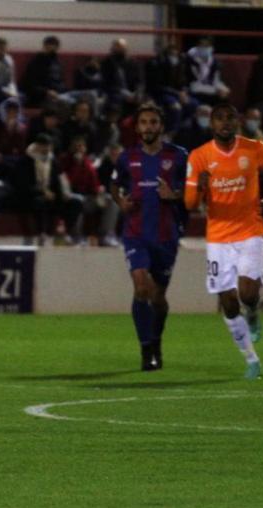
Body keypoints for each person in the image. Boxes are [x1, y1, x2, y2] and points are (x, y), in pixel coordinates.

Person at [185, 103, 263, 379]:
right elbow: (190, 204)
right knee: (227, 302)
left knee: (247, 293)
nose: (225, 123)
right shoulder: (200, 157)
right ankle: (251, 360)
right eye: (219, 119)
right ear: (211, 124)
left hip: (250, 230)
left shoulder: (254, 148)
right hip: (218, 237)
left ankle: (252, 310)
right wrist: (200, 188)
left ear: (238, 122)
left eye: (230, 118)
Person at [109, 104, 187, 370]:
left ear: (161, 126)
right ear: (137, 127)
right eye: (144, 122)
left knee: (158, 298)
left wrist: (174, 196)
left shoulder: (178, 157)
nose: (148, 127)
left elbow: (196, 193)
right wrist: (120, 201)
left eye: (153, 122)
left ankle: (155, 341)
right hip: (136, 233)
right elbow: (114, 185)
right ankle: (146, 351)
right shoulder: (126, 157)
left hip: (166, 236)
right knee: (142, 287)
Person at [20, 35, 64, 108]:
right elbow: (30, 85)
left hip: (58, 93)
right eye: (49, 47)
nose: (51, 50)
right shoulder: (36, 63)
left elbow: (60, 81)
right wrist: (47, 92)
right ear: (44, 47)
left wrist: (61, 90)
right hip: (41, 96)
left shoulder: (58, 63)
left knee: (85, 95)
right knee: (62, 103)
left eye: (54, 47)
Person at [186, 37, 229, 106]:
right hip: (195, 87)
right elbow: (190, 79)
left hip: (210, 87)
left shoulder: (214, 62)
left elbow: (216, 79)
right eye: (202, 45)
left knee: (224, 93)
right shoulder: (190, 60)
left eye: (206, 46)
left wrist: (221, 88)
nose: (204, 48)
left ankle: (219, 115)